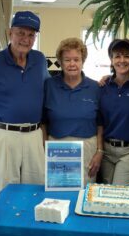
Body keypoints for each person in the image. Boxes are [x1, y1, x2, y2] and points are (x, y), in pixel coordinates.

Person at [0, 11, 49, 206]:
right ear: (10, 33)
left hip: (33, 135)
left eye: (31, 35)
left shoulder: (40, 60)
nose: (26, 39)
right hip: (3, 135)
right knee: (2, 193)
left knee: (36, 191)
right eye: (21, 33)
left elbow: (49, 91)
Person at [42, 37, 103, 185]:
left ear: (83, 61)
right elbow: (43, 121)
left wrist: (99, 152)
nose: (72, 64)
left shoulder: (95, 88)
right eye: (67, 60)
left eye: (76, 59)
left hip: (87, 147)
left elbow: (100, 123)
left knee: (85, 194)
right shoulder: (49, 85)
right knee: (59, 195)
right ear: (60, 62)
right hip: (57, 148)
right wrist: (44, 148)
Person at [99, 39, 129, 186]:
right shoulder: (103, 87)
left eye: (127, 56)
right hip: (106, 151)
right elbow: (98, 120)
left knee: (119, 193)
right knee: (104, 193)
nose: (122, 60)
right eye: (117, 56)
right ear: (111, 60)